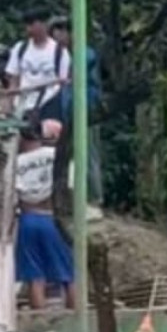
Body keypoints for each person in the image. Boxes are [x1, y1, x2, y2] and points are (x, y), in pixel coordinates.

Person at [14, 122, 75, 310]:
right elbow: (71, 187)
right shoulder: (57, 156)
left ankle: (39, 317)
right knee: (69, 273)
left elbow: (12, 195)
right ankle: (75, 315)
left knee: (34, 275)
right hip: (55, 219)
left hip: (28, 219)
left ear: (20, 138)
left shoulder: (15, 163)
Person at [49, 16, 104, 218]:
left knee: (88, 155)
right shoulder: (58, 56)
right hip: (66, 114)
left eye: (62, 31)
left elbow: (77, 79)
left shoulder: (84, 54)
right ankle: (71, 200)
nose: (58, 36)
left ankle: (94, 199)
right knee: (66, 157)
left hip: (86, 111)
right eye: (55, 32)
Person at [6, 8, 71, 122]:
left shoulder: (60, 52)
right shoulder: (20, 48)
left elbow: (63, 83)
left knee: (49, 130)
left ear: (44, 24)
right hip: (23, 105)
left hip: (49, 103)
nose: (28, 28)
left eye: (32, 24)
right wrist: (9, 105)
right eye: (27, 24)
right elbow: (13, 81)